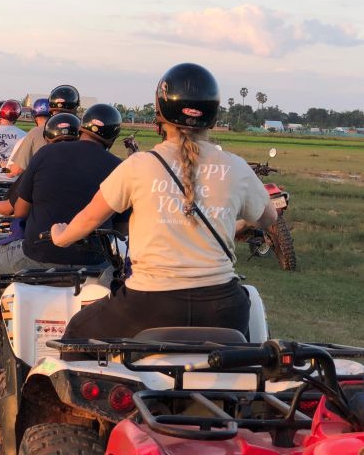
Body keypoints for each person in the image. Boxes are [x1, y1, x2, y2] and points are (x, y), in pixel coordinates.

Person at [51, 63, 277, 339]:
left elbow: (88, 219)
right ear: (213, 117)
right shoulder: (236, 167)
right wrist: (232, 222)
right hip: (223, 308)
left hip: (149, 305)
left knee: (76, 332)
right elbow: (268, 218)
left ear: (159, 113)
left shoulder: (138, 166)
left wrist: (61, 237)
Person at [0, 110, 126, 275]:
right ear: (112, 139)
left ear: (80, 130)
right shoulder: (119, 167)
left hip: (38, 255)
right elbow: (122, 229)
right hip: (95, 263)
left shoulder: (46, 153)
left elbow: (20, 211)